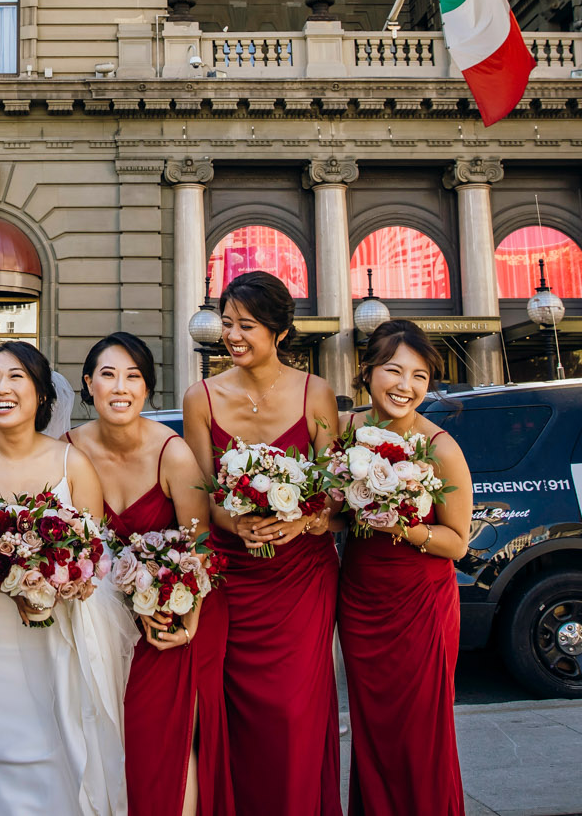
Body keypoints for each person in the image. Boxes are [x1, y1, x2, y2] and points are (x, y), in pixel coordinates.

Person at [0, 340, 128, 816]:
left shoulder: (73, 465)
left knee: (61, 746)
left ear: (41, 393)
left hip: (59, 635)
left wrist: (57, 581)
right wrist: (12, 578)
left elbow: (95, 556)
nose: (1, 388)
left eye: (16, 376)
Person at [181, 269, 343, 816]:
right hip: (234, 578)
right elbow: (203, 498)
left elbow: (335, 489)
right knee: (233, 716)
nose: (232, 335)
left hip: (302, 580)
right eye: (227, 323)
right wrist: (235, 523)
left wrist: (305, 520)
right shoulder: (200, 398)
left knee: (294, 715)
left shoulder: (316, 392)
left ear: (278, 330)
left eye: (246, 324)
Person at [68, 332, 231, 816]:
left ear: (146, 389)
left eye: (133, 376)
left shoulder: (173, 453)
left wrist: (187, 616)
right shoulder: (68, 450)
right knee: (101, 748)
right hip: (99, 622)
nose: (121, 387)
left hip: (170, 618)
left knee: (164, 746)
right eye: (109, 374)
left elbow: (200, 546)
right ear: (89, 384)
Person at [337, 321, 472, 816]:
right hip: (360, 600)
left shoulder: (440, 448)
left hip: (419, 605)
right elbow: (334, 511)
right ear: (368, 372)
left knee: (419, 733)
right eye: (393, 370)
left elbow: (457, 543)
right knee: (372, 732)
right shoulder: (345, 432)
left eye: (419, 375)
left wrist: (401, 525)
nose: (405, 385)